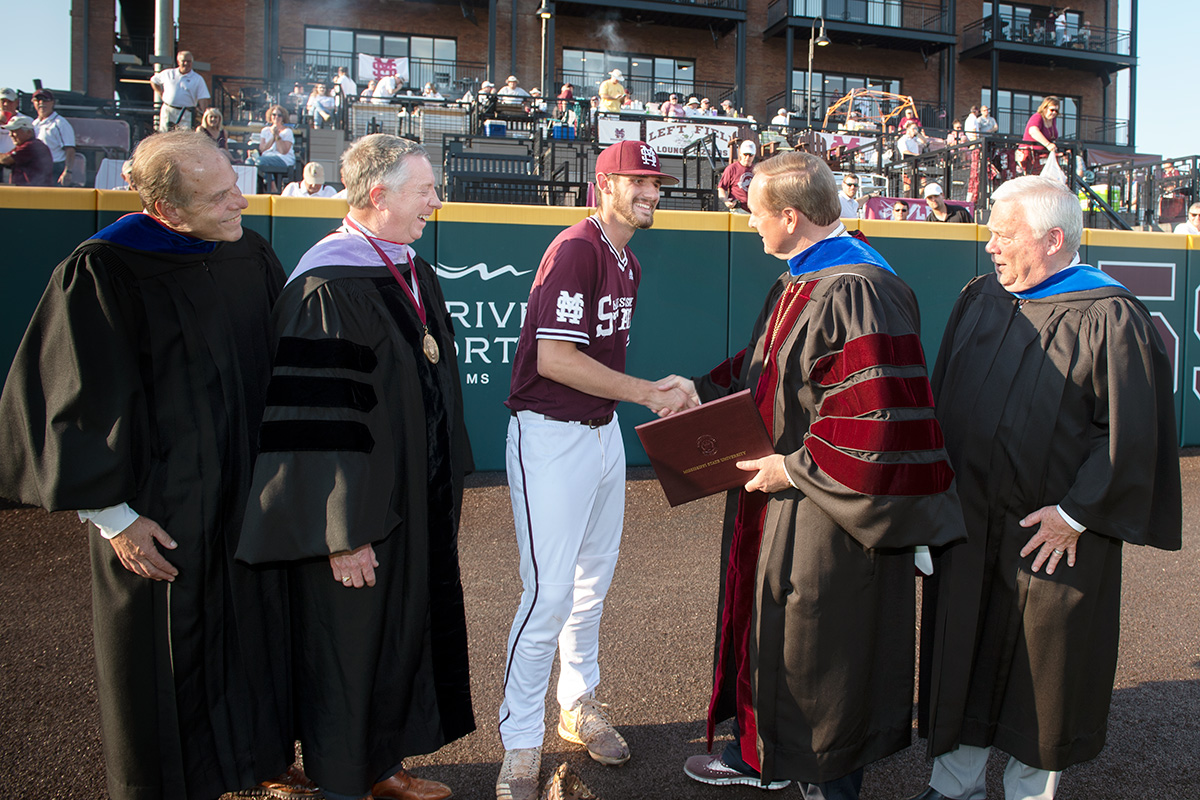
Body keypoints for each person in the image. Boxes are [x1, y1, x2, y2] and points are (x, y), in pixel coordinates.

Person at [0, 130, 304, 800]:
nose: (242, 202)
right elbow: (70, 399)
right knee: (170, 657)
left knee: (256, 633)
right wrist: (112, 518)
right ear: (167, 210)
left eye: (236, 183)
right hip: (158, 512)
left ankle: (260, 757)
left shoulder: (247, 253)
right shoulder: (104, 270)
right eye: (220, 196)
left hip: (244, 499)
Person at [667, 152, 963, 799]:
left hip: (827, 519)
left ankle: (823, 781)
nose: (750, 225)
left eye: (755, 214)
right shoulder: (804, 279)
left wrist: (795, 468)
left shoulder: (859, 288)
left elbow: (878, 415)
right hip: (780, 506)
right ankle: (767, 755)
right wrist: (699, 391)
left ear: (792, 217)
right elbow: (773, 366)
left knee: (822, 656)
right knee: (779, 640)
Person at [909, 175, 1182, 800]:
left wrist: (1078, 514)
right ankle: (954, 788)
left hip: (1051, 535)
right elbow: (943, 399)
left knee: (1043, 670)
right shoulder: (981, 298)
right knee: (964, 654)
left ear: (1054, 239)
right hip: (971, 526)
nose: (991, 248)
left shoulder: (1109, 316)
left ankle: (1032, 794)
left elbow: (1133, 436)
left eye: (1005, 236)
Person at [238, 134, 473, 800]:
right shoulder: (326, 285)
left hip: (410, 504)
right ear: (380, 195)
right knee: (347, 644)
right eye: (424, 190)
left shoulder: (410, 270)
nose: (436, 200)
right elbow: (318, 419)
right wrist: (340, 530)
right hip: (358, 513)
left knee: (396, 635)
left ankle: (382, 764)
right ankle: (342, 778)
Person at [496, 139, 693, 800]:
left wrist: (645, 395)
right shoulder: (577, 247)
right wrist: (646, 392)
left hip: (600, 431)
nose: (651, 193)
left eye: (656, 184)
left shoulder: (626, 260)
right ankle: (521, 741)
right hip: (550, 434)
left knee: (591, 584)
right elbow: (553, 358)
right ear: (604, 183)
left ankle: (577, 705)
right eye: (638, 181)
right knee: (548, 594)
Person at [150, 50, 211, 132]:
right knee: (165, 137)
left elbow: (203, 98)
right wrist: (160, 93)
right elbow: (154, 80)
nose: (186, 64)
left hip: (186, 113)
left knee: (184, 139)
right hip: (168, 110)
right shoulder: (168, 73)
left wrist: (205, 116)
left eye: (189, 61)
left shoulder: (198, 79)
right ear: (178, 62)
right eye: (184, 61)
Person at [31, 89, 76, 185]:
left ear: (52, 102)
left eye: (45, 100)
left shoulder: (60, 123)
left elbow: (70, 149)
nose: (41, 103)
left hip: (56, 168)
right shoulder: (34, 124)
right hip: (38, 168)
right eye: (38, 100)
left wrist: (67, 171)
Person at [0, 115, 54, 186]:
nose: (10, 135)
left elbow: (5, 160)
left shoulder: (31, 146)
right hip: (29, 190)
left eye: (14, 131)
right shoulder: (25, 146)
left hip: (33, 192)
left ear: (28, 132)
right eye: (10, 131)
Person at [255, 104, 296, 192]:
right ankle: (257, 190)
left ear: (283, 117)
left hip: (283, 159)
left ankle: (272, 187)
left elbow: (283, 151)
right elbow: (262, 149)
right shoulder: (265, 130)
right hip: (266, 158)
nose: (276, 117)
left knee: (260, 161)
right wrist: (273, 136)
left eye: (279, 115)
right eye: (274, 114)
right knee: (249, 162)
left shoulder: (287, 132)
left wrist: (277, 135)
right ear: (270, 116)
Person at [1018, 96, 1059, 174]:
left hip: (1043, 156)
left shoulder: (1052, 120)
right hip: (1031, 156)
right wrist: (1048, 144)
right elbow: (1033, 131)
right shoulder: (1037, 117)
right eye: (1052, 110)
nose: (1054, 113)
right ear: (1045, 108)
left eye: (1056, 111)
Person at [719, 139, 757, 212]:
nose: (747, 158)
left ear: (754, 155)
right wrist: (725, 200)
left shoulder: (757, 170)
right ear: (740, 153)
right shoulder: (732, 169)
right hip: (738, 208)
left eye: (750, 155)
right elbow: (721, 188)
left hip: (753, 210)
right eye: (745, 154)